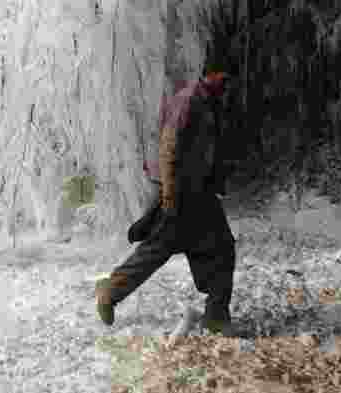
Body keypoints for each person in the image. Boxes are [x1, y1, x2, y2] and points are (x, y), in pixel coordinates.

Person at [96, 67, 236, 336]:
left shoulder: (206, 101)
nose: (228, 84)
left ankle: (216, 315)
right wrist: (170, 198)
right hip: (183, 194)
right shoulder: (189, 101)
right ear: (213, 74)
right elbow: (169, 148)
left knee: (214, 248)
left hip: (196, 194)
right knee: (163, 249)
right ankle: (109, 291)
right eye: (225, 77)